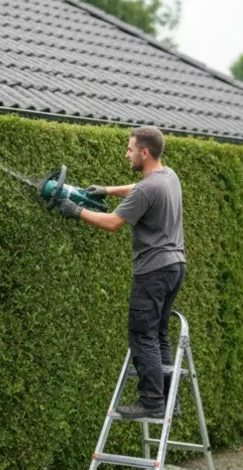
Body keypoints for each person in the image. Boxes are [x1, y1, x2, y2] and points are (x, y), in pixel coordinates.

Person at [56, 126, 186, 420]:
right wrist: (106, 190)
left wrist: (75, 210)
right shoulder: (169, 177)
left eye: (130, 149)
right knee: (159, 334)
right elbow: (137, 190)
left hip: (153, 271)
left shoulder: (148, 188)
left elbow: (113, 222)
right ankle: (170, 401)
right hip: (175, 266)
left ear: (144, 152)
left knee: (142, 335)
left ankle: (152, 403)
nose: (126, 154)